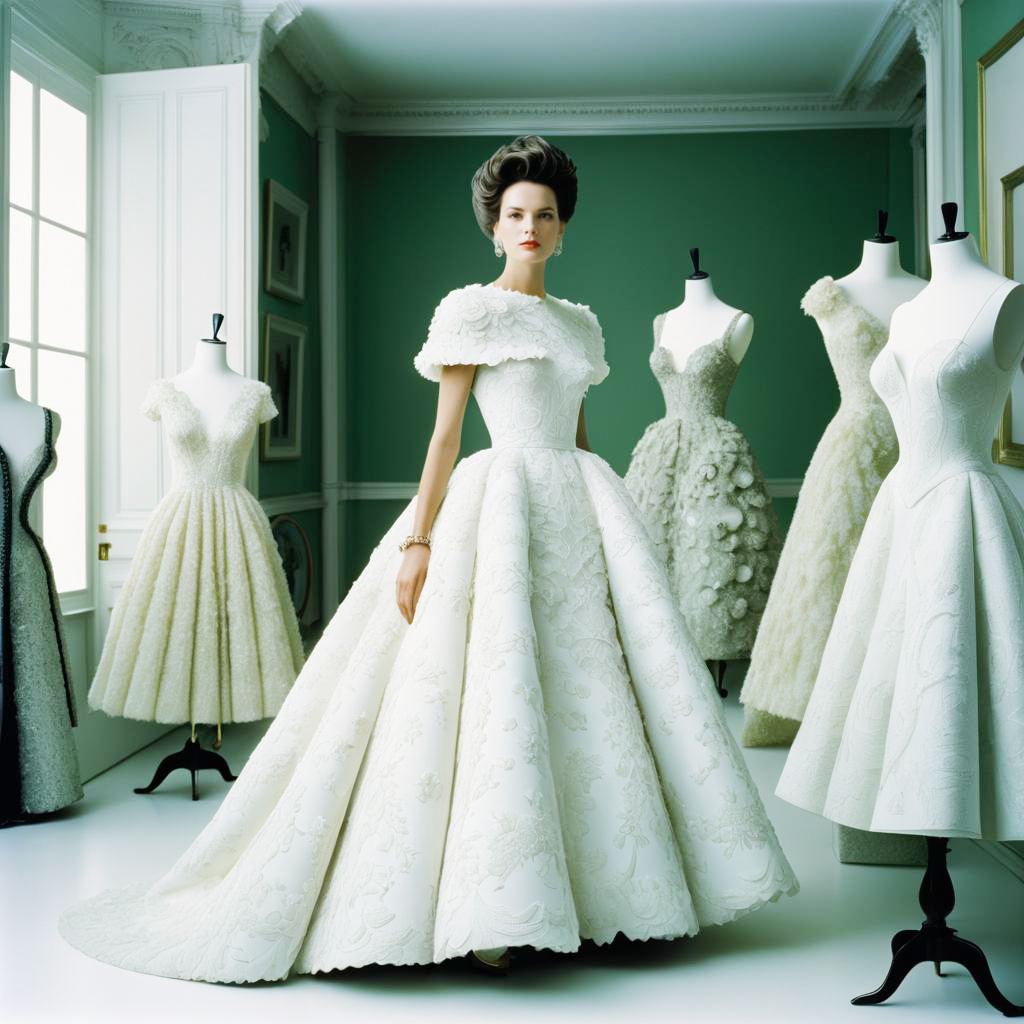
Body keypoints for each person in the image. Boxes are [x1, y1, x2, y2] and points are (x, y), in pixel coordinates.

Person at [59, 135, 797, 984]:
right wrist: (417, 542)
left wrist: (605, 512)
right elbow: (446, 437)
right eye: (516, 214)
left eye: (546, 216)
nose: (531, 227)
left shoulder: (580, 324)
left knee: (587, 694)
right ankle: (492, 903)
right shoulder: (471, 312)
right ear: (494, 227)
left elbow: (580, 429)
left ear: (563, 230)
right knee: (491, 689)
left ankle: (600, 895)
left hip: (573, 503)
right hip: (494, 505)